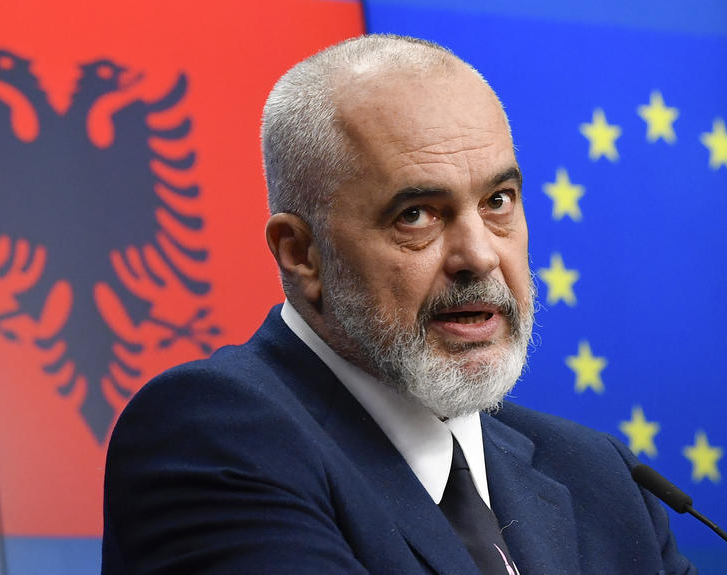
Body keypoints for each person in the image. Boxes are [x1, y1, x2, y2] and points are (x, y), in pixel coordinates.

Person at [102, 34, 695, 574]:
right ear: (301, 253)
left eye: (498, 201)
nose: (479, 256)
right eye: (417, 215)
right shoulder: (212, 435)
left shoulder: (601, 477)